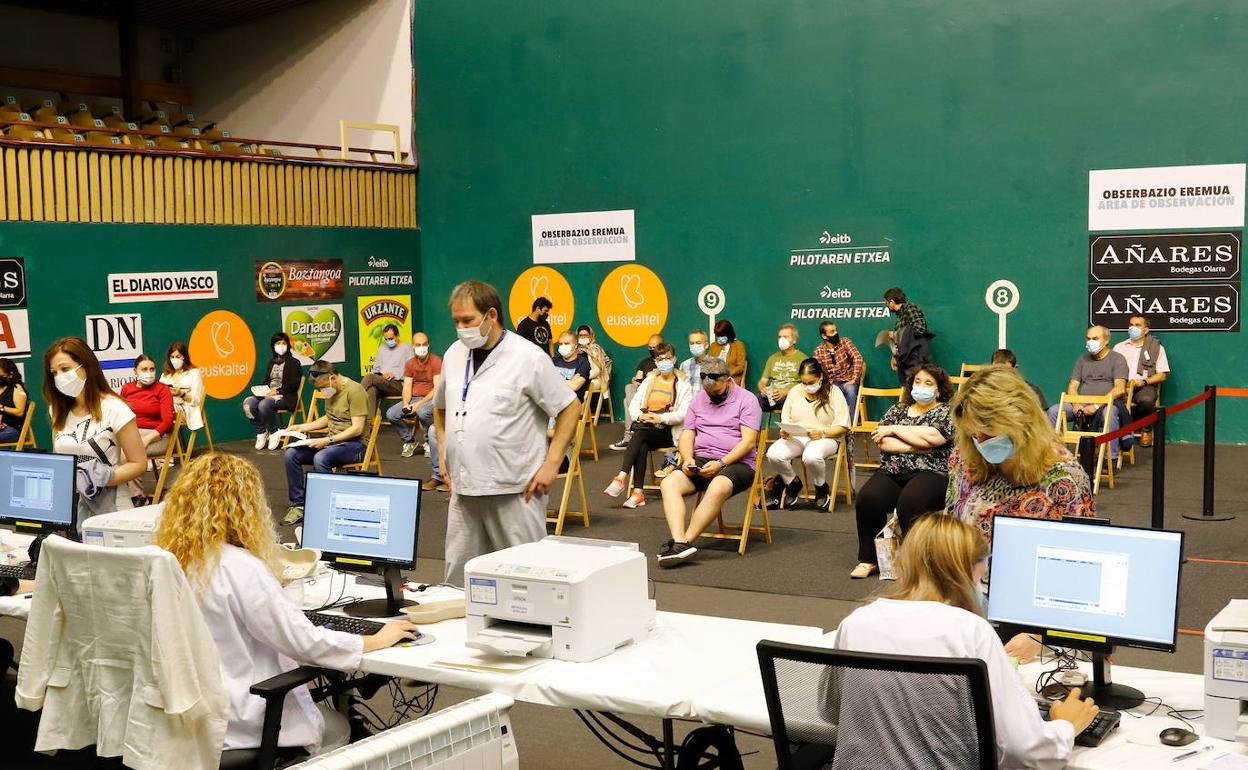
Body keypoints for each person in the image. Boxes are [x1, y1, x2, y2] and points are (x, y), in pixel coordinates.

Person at [154, 452, 419, 758]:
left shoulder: (169, 561)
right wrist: (374, 639)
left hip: (187, 718)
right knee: (339, 727)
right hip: (242, 721)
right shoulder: (240, 567)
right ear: (244, 506)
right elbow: (303, 642)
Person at [833, 514, 1096, 769]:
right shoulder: (971, 632)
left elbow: (832, 709)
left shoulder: (856, 623)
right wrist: (1066, 726)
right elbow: (1027, 751)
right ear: (963, 573)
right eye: (980, 578)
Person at [433, 280, 581, 586]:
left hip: (516, 489)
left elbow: (570, 407)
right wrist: (444, 453)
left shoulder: (528, 357)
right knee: (460, 582)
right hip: (463, 491)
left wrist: (552, 464)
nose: (461, 328)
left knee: (524, 582)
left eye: (468, 321)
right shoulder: (453, 354)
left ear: (491, 315)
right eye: (456, 321)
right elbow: (440, 406)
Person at [851, 364, 954, 578]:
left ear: (938, 390)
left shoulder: (947, 411)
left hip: (932, 471)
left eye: (928, 383)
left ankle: (915, 563)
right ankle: (869, 559)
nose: (921, 386)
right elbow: (883, 441)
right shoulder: (898, 409)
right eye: (918, 382)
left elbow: (935, 437)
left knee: (910, 503)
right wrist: (917, 445)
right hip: (893, 469)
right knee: (868, 499)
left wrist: (895, 429)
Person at [657, 357, 761, 567]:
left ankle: (684, 543)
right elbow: (687, 434)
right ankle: (679, 541)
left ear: (728, 380)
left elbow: (749, 442)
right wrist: (688, 459)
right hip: (702, 457)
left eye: (716, 391)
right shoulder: (699, 399)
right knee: (668, 483)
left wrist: (721, 463)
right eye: (708, 392)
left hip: (738, 463)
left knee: (717, 486)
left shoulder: (747, 400)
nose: (712, 395)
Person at [44, 337, 147, 515]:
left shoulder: (115, 408)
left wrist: (100, 478)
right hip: (70, 505)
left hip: (111, 504)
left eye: (65, 369)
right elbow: (59, 458)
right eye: (54, 373)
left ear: (86, 367)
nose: (59, 377)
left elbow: (139, 464)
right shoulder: (57, 409)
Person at [603, 343, 692, 509]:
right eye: (660, 359)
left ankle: (621, 477)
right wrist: (640, 416)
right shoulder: (649, 380)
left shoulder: (683, 384)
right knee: (641, 442)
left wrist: (659, 418)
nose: (664, 362)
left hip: (669, 431)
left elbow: (683, 414)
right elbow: (634, 404)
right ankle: (637, 493)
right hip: (646, 427)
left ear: (674, 359)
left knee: (639, 435)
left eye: (667, 358)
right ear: (655, 362)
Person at [281, 360, 368, 525]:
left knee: (321, 457)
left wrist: (327, 440)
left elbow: (357, 428)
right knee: (291, 454)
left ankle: (328, 506)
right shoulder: (332, 390)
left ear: (332, 378)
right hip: (332, 443)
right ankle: (299, 505)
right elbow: (330, 417)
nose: (322, 391)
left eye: (323, 387)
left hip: (355, 445)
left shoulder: (355, 391)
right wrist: (303, 426)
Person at [764, 358, 851, 510]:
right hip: (797, 436)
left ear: (820, 377)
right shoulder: (795, 391)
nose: (807, 386)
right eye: (804, 382)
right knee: (773, 454)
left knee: (811, 456)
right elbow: (786, 418)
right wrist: (785, 430)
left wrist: (822, 433)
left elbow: (843, 426)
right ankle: (792, 482)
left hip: (827, 437)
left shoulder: (834, 392)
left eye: (811, 382)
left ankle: (821, 487)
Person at [1046, 326, 1128, 455]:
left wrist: (1096, 406)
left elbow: (1120, 388)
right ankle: (1057, 454)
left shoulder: (1118, 359)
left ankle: (1110, 457)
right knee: (1054, 411)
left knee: (1110, 413)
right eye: (1088, 339)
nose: (1091, 342)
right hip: (1082, 404)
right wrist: (1075, 404)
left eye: (1095, 338)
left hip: (1105, 405)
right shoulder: (1082, 359)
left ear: (1106, 340)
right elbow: (1073, 385)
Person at [385, 332, 446, 491]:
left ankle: (428, 442)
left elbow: (437, 388)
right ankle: (410, 441)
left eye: (424, 344)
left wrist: (419, 404)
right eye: (418, 345)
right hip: (413, 398)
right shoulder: (410, 364)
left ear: (428, 344)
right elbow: (407, 386)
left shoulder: (436, 361)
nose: (421, 347)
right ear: (413, 346)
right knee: (392, 413)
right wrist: (406, 403)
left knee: (423, 412)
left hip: (430, 399)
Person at [119, 354, 175, 505]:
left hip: (157, 436)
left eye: (152, 369)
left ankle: (138, 497)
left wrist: (147, 439)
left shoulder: (162, 389)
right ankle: (121, 494)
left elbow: (167, 421)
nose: (149, 373)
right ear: (135, 371)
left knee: (128, 454)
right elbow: (121, 414)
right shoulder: (127, 389)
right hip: (132, 433)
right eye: (144, 369)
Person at [1112, 315, 1169, 447]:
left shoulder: (1156, 348)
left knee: (1146, 399)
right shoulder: (1119, 347)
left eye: (1138, 325)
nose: (1133, 328)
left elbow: (1162, 375)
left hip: (1144, 385)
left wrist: (1144, 382)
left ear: (1146, 330)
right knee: (1109, 397)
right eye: (1131, 325)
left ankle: (1146, 429)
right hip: (1121, 385)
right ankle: (1117, 432)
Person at [243, 332, 303, 450]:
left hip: (285, 396)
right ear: (273, 346)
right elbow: (267, 381)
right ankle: (261, 431)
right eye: (278, 343)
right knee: (248, 404)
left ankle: (274, 432)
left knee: (264, 405)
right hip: (268, 394)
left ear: (288, 345)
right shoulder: (271, 362)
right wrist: (261, 390)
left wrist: (278, 391)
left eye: (284, 343)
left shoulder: (294, 363)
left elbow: (294, 384)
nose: (281, 346)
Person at [608, 333, 665, 451]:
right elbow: (637, 379)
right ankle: (638, 417)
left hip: (657, 394)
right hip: (642, 393)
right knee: (629, 387)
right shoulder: (645, 362)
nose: (652, 349)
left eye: (654, 347)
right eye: (649, 347)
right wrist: (636, 381)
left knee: (626, 402)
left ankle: (629, 436)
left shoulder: (666, 362)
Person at [811, 321, 864, 419]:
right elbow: (817, 371)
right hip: (831, 384)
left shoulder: (845, 342)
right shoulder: (818, 351)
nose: (836, 333)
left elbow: (858, 358)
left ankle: (850, 425)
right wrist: (825, 385)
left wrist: (854, 379)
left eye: (836, 330)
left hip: (847, 381)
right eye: (832, 332)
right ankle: (829, 423)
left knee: (851, 390)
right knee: (822, 392)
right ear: (824, 336)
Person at [360, 323, 415, 415]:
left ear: (398, 336)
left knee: (370, 377)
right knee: (371, 390)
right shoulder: (382, 348)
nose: (388, 341)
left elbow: (412, 371)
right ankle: (368, 423)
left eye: (391, 339)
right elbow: (375, 369)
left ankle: (354, 399)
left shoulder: (407, 348)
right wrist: (381, 375)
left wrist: (395, 375)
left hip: (399, 384)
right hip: (383, 382)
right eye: (386, 339)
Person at [884, 287, 934, 386]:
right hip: (904, 360)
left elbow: (920, 328)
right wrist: (895, 356)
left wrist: (896, 334)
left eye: (886, 303)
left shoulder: (910, 308)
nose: (887, 306)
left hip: (916, 357)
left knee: (917, 387)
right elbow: (901, 341)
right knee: (907, 388)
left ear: (892, 302)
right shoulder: (899, 316)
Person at [756, 323, 805, 413]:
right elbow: (763, 381)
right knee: (753, 401)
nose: (782, 340)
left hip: (790, 397)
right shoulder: (773, 358)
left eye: (785, 337)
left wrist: (786, 392)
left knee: (790, 402)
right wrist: (762, 389)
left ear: (794, 340)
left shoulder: (803, 359)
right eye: (780, 337)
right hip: (771, 397)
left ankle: (786, 422)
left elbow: (805, 385)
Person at [160, 341, 205, 433]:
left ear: (184, 357)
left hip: (185, 408)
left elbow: (196, 400)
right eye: (172, 357)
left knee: (164, 409)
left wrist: (181, 394)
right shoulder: (165, 376)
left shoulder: (194, 373)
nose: (174, 359)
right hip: (167, 406)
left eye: (178, 356)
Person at [551, 330, 591, 402]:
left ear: (575, 345)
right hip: (552, 401)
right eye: (560, 344)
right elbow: (544, 383)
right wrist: (570, 381)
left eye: (566, 344)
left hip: (572, 403)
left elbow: (575, 386)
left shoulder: (583, 362)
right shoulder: (553, 361)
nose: (563, 346)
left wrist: (554, 380)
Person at [0, 357, 29, 444]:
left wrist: (2, 408)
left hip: (12, 429)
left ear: (10, 375)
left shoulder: (17, 388)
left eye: (1, 375)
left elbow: (20, 412)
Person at [576, 324, 613, 392]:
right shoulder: (574, 350)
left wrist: (583, 377)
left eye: (586, 335)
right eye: (581, 335)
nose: (583, 337)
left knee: (582, 385)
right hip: (576, 378)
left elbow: (598, 370)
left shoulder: (596, 349)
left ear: (591, 336)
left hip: (595, 378)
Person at [709, 319, 747, 384]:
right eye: (718, 336)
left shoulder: (738, 345)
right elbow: (709, 363)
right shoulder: (713, 346)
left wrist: (727, 374)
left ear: (729, 334)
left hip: (731, 379)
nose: (720, 338)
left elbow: (741, 367)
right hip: (715, 380)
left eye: (722, 335)